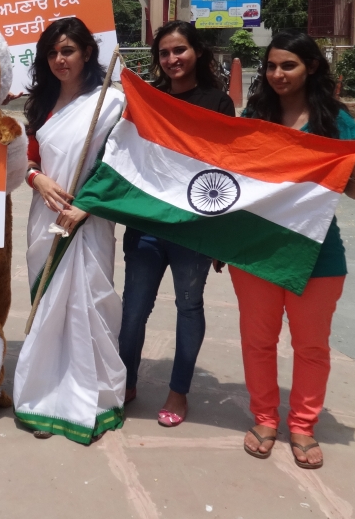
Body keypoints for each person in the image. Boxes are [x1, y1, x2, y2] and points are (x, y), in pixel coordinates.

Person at [234, 32, 355, 468]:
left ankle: (302, 425)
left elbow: (354, 192)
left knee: (311, 346)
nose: (277, 75)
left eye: (288, 66)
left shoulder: (336, 121)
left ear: (311, 67)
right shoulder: (255, 114)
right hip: (256, 248)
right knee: (258, 341)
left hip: (318, 251)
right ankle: (263, 418)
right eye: (272, 66)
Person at [13, 17, 126, 444]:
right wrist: (36, 179)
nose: (60, 59)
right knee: (48, 305)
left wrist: (86, 207)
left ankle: (88, 398)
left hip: (89, 219)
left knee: (87, 305)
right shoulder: (40, 105)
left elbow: (118, 165)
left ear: (87, 55)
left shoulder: (110, 103)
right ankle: (43, 394)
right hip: (46, 216)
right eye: (53, 52)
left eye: (69, 51)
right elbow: (27, 159)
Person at [119, 21, 235, 427]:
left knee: (189, 306)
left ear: (197, 52)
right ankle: (126, 380)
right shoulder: (149, 100)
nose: (172, 60)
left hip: (193, 229)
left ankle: (178, 392)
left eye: (180, 50)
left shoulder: (218, 103)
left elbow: (225, 172)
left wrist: (221, 237)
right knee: (133, 310)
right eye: (164, 53)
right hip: (148, 225)